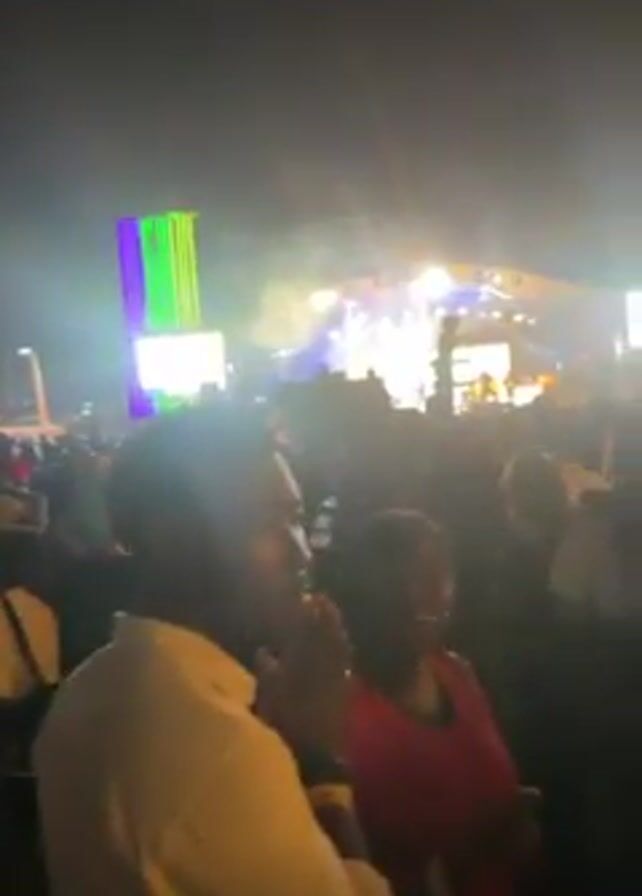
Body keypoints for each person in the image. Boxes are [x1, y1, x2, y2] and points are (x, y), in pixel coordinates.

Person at [35, 406, 390, 896]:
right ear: (174, 538)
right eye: (271, 521)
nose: (302, 553)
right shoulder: (222, 749)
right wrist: (323, 765)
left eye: (298, 520)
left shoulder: (88, 687)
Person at [337, 510, 537, 896]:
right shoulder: (344, 714)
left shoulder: (456, 673)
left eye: (441, 574)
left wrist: (514, 820)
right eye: (410, 577)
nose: (431, 593)